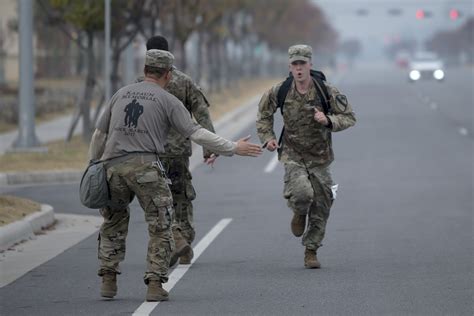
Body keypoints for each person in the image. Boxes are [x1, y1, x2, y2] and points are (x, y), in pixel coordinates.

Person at [89, 49, 262, 301]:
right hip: (145, 168)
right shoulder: (167, 99)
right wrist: (233, 147)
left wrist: (95, 164)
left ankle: (108, 279)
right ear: (168, 74)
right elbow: (197, 133)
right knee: (161, 226)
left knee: (113, 223)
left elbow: (99, 135)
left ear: (145, 70)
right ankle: (155, 285)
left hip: (112, 167)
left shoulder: (120, 94)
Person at [256, 44, 356, 269]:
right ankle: (299, 212)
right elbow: (263, 115)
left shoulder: (326, 90)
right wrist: (268, 137)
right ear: (290, 66)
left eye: (303, 64)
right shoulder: (280, 90)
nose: (299, 68)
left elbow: (349, 117)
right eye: (295, 64)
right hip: (292, 154)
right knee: (302, 193)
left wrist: (329, 120)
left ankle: (311, 250)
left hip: (320, 157)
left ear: (310, 65)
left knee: (322, 204)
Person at [144, 36, 217, 266]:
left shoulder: (140, 83)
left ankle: (172, 243)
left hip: (150, 152)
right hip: (177, 152)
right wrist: (209, 147)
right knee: (181, 197)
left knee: (157, 201)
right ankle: (183, 241)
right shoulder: (184, 81)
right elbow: (201, 112)